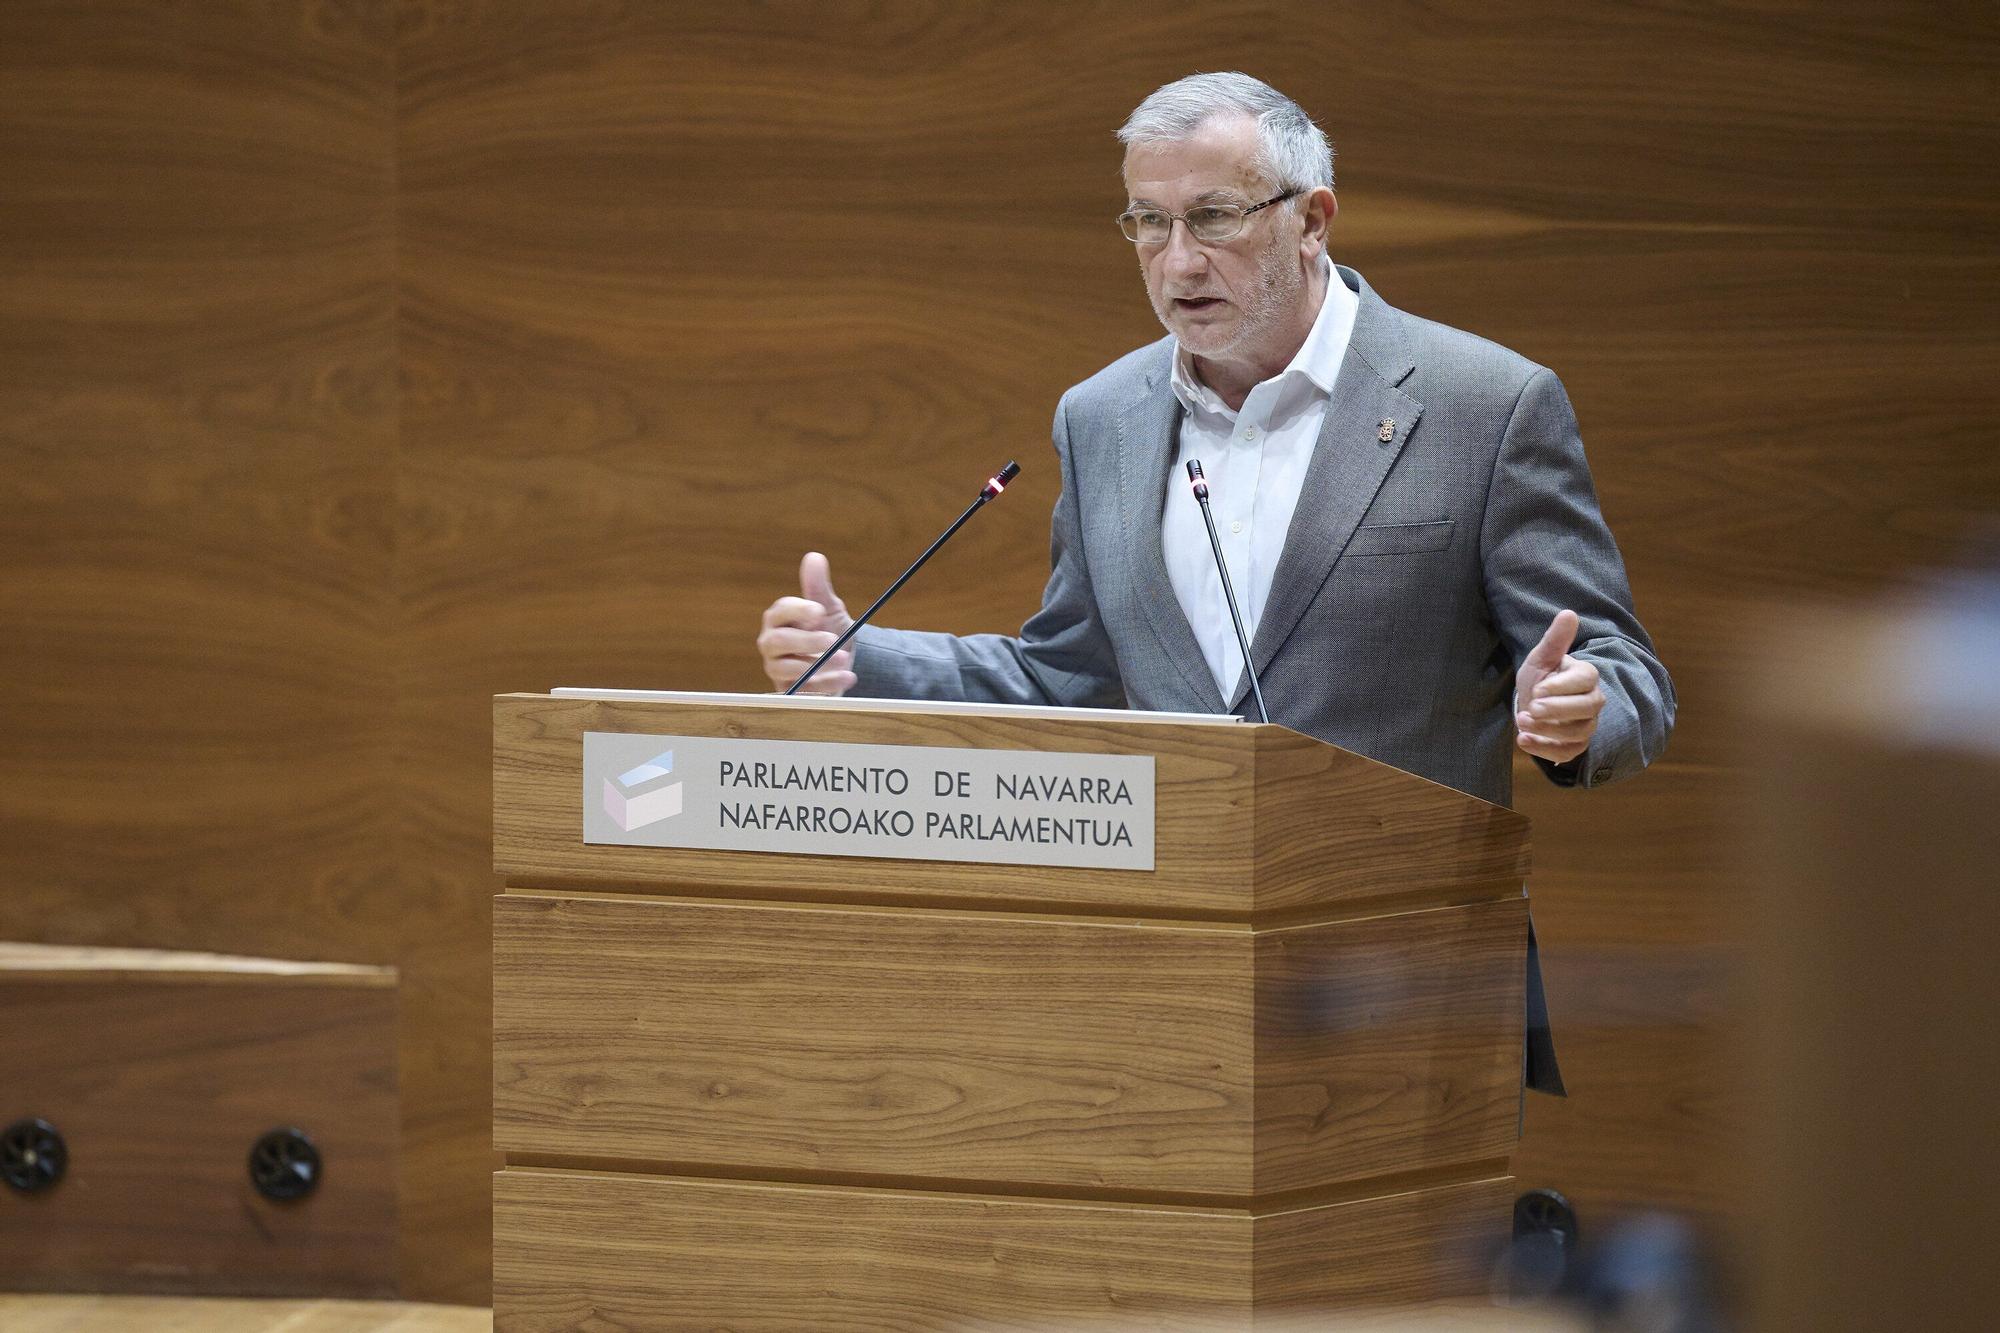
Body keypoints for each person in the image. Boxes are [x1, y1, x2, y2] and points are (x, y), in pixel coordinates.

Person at [756, 72, 1675, 1094]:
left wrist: (1577, 712)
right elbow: (1073, 675)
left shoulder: (1483, 405)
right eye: (1147, 224)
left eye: (1212, 219)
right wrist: (862, 658)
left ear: (1311, 219)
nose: (1176, 262)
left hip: (1403, 986)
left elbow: (1619, 666)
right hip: (1160, 984)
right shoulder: (1101, 416)